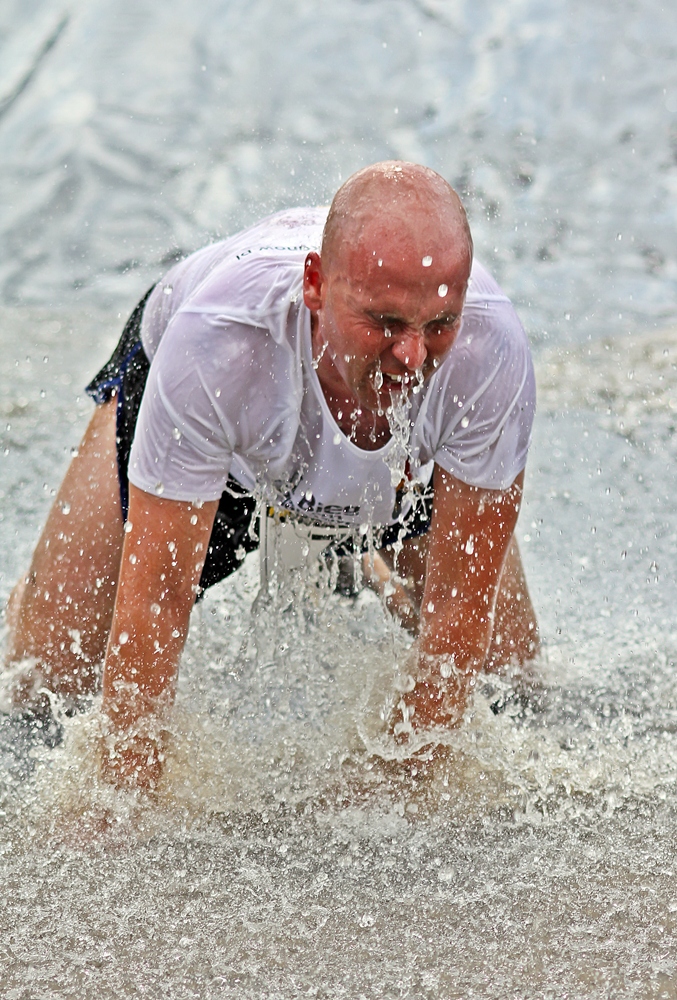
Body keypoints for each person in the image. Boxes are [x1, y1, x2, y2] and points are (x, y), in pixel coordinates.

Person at [3, 161, 538, 789]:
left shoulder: (490, 352)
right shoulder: (218, 341)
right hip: (216, 435)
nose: (412, 356)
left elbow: (457, 609)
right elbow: (157, 599)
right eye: (385, 323)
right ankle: (344, 535)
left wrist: (397, 793)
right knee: (43, 679)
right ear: (315, 286)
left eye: (439, 325)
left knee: (514, 679)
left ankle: (359, 548)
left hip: (400, 475)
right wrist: (125, 815)